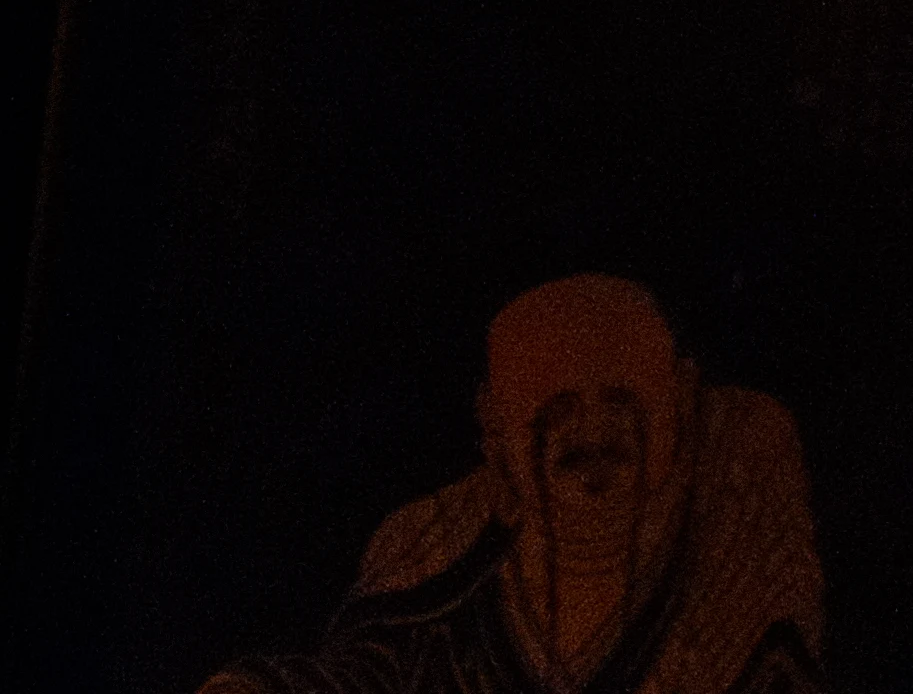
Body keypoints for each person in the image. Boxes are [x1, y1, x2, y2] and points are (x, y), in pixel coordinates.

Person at [204, 272, 827, 694]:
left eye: (620, 401)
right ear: (496, 428)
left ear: (680, 400)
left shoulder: (730, 530)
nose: (591, 434)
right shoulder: (439, 575)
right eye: (554, 408)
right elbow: (364, 678)